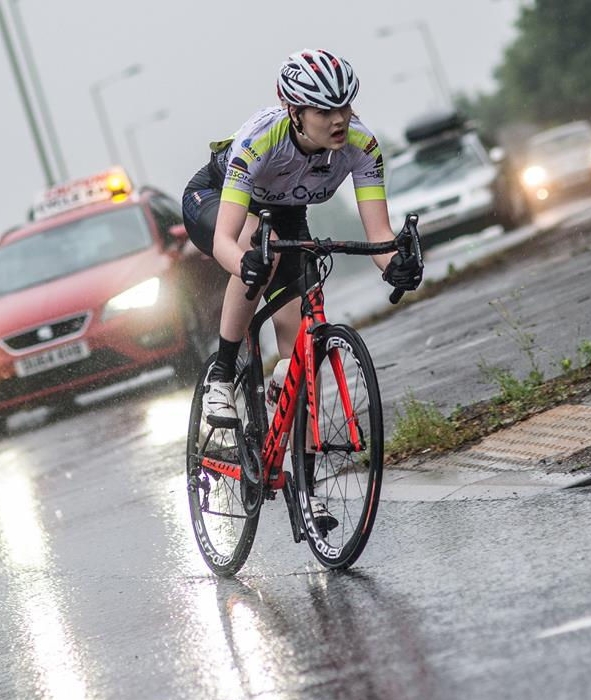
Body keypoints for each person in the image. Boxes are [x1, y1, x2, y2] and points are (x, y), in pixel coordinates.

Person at [181, 49, 423, 530]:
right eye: (324, 110)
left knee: (300, 356)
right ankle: (222, 376)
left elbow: (379, 235)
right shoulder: (260, 141)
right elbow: (227, 240)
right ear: (294, 111)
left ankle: (308, 494)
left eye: (345, 106)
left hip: (287, 215)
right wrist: (246, 265)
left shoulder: (361, 145)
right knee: (258, 246)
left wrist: (395, 265)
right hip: (216, 200)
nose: (339, 119)